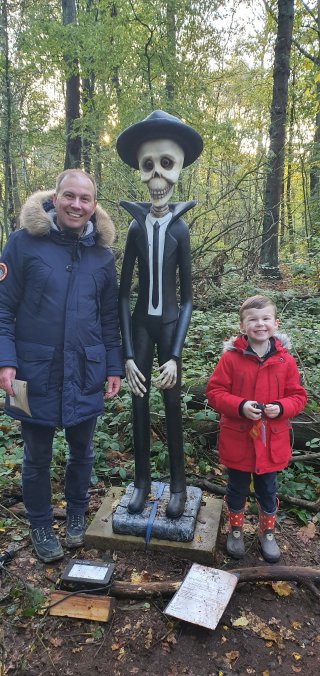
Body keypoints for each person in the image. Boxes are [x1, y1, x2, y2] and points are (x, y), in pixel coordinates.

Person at [0, 169, 123, 563]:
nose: (76, 204)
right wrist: (5, 361)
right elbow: (2, 310)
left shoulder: (102, 256)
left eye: (85, 199)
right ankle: (39, 522)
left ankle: (74, 515)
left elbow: (108, 320)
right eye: (69, 196)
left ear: (93, 206)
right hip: (30, 374)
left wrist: (114, 366)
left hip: (86, 370)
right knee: (35, 455)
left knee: (82, 452)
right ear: (55, 198)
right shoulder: (21, 244)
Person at [116, 110, 203, 519]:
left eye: (166, 165)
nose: (156, 178)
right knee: (138, 404)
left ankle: (178, 487)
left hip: (169, 329)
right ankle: (141, 483)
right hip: (141, 327)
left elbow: (187, 299)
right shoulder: (134, 229)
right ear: (139, 170)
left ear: (179, 171)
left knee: (170, 406)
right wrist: (128, 355)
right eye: (148, 166)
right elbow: (122, 295)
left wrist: (175, 355)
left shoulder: (181, 231)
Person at [205, 295, 307, 563]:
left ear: (275, 323)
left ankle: (267, 533)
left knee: (267, 489)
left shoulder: (285, 361)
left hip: (271, 441)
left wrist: (281, 408)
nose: (260, 324)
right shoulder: (230, 359)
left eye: (265, 319)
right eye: (253, 320)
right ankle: (236, 529)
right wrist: (240, 406)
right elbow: (214, 392)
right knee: (236, 488)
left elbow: (298, 396)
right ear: (242, 325)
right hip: (238, 439)